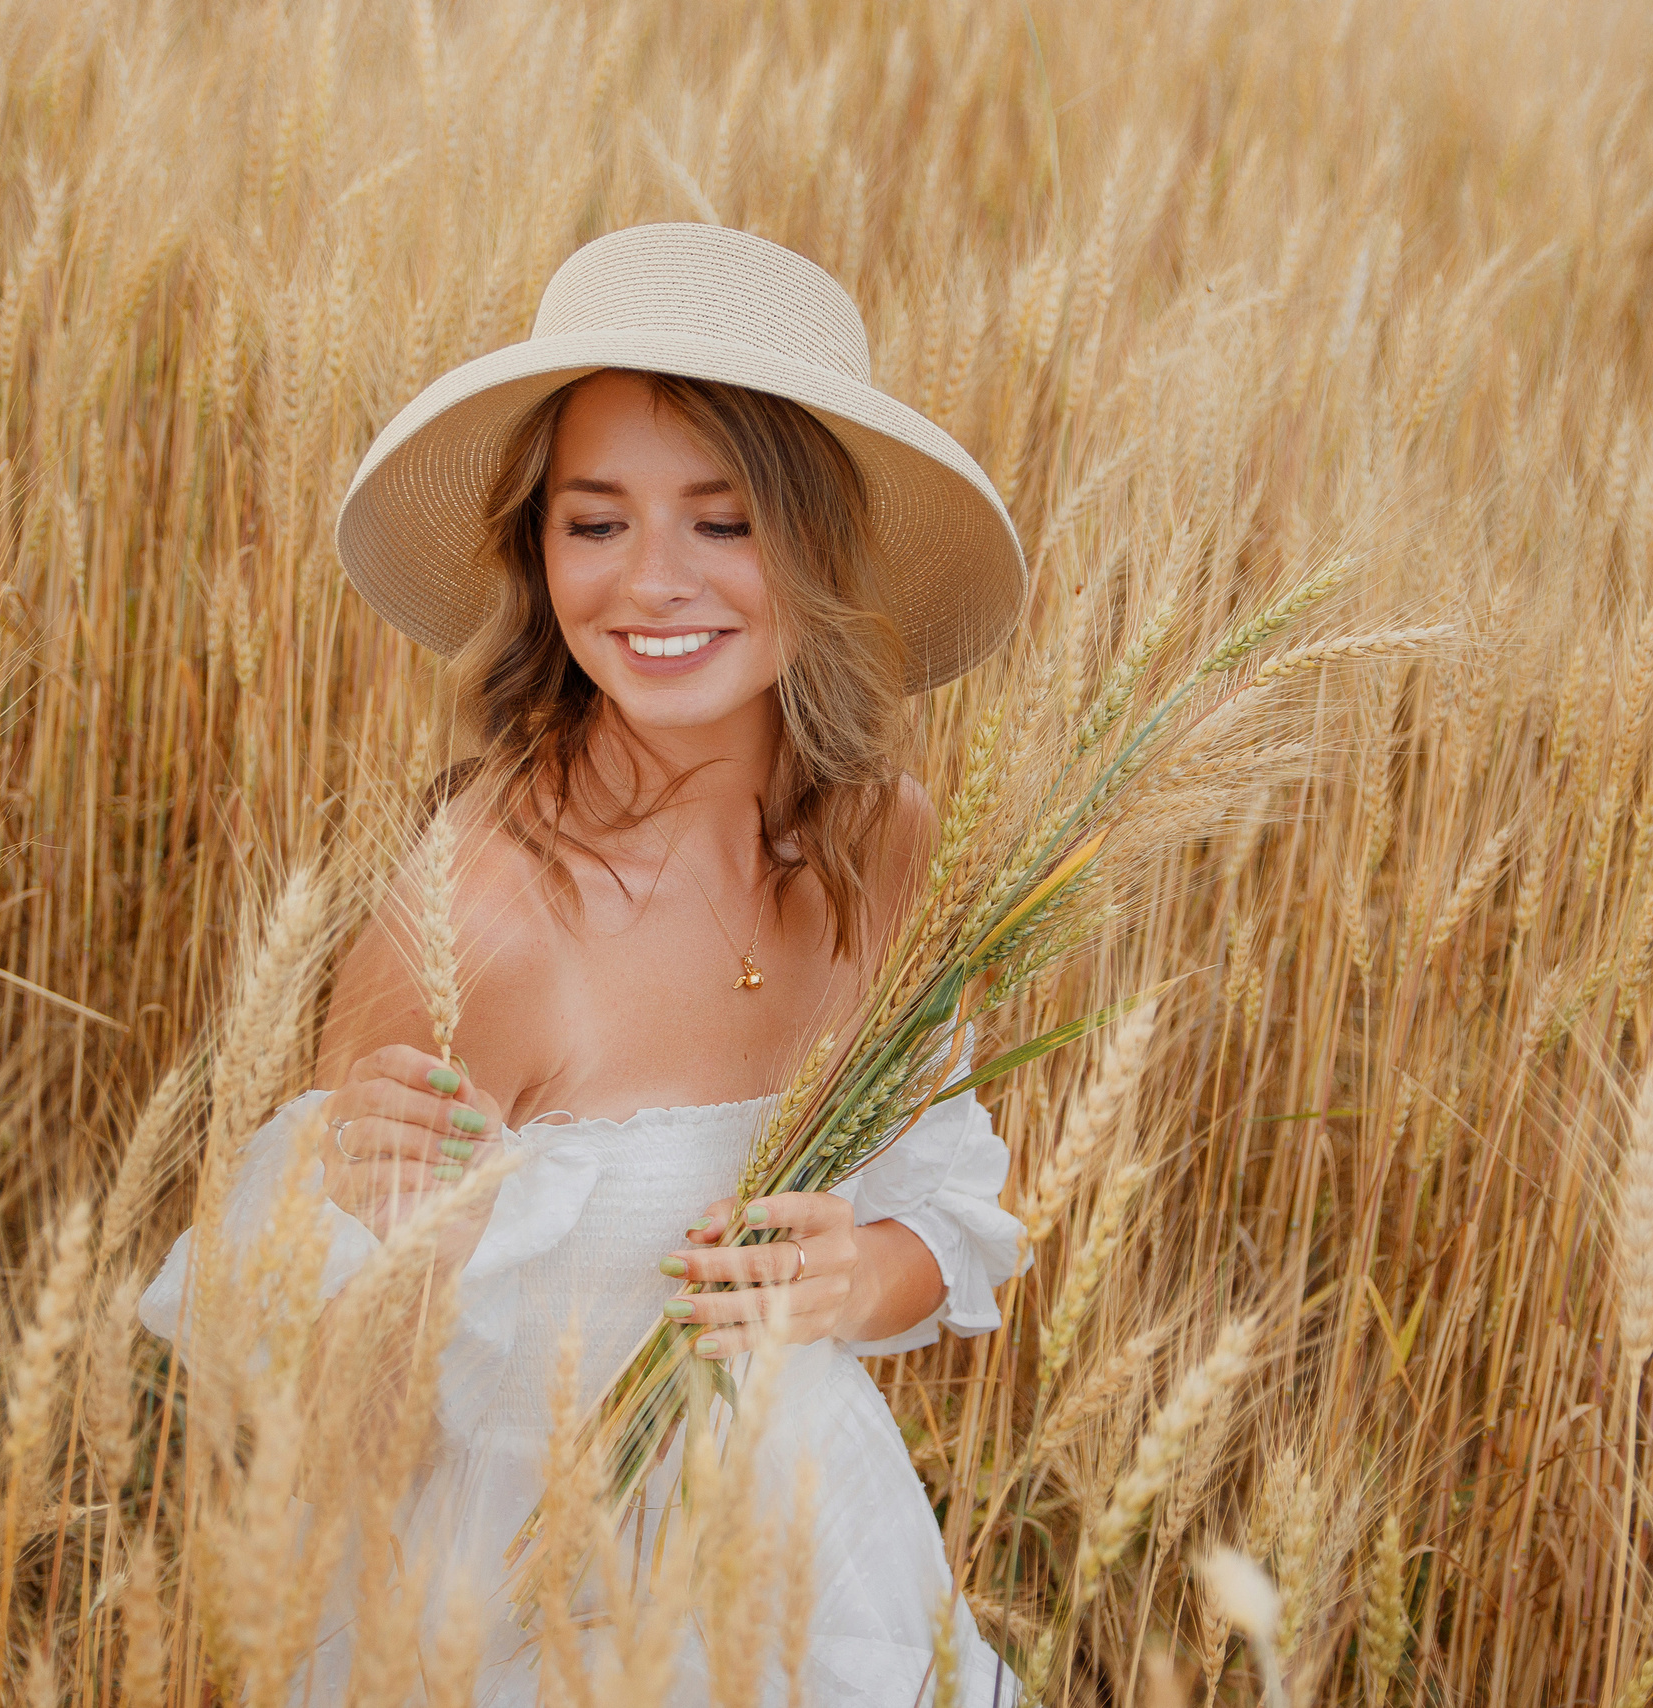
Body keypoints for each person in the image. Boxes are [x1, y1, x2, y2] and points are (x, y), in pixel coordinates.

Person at [141, 223, 1030, 1706]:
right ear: (535, 550)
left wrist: (852, 1278)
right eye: (595, 523)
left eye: (724, 523)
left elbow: (943, 1201)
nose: (651, 584)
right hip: (530, 1622)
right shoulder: (478, 916)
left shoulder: (888, 841)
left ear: (819, 551)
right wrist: (381, 1234)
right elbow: (332, 1444)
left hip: (816, 1573)